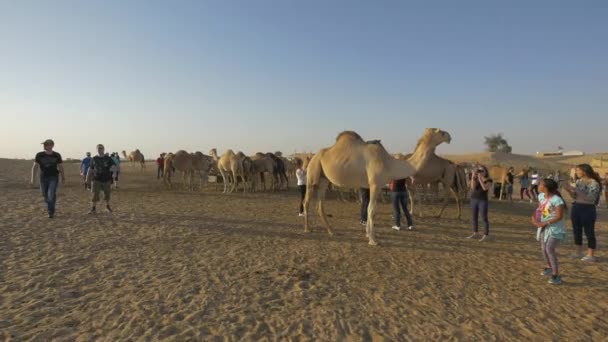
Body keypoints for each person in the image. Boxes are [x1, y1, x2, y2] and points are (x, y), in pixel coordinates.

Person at [530, 179, 567, 285]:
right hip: (543, 226)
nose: (538, 185)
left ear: (545, 187)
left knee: (549, 248)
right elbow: (540, 209)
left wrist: (545, 223)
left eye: (541, 184)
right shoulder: (541, 196)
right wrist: (534, 218)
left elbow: (559, 216)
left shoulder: (557, 200)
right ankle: (549, 266)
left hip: (554, 228)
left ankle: (556, 275)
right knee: (543, 249)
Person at [563, 164, 602, 262]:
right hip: (576, 207)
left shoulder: (594, 183)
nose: (576, 172)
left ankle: (590, 255)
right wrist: (568, 190)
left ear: (584, 171)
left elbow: (590, 198)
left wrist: (575, 189)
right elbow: (575, 197)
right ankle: (578, 252)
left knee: (589, 232)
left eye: (578, 170)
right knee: (577, 231)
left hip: (588, 209)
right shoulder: (579, 181)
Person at [31, 139, 65, 218]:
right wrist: (33, 178)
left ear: (52, 145)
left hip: (53, 177)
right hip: (43, 177)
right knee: (45, 195)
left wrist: (63, 177)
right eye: (45, 144)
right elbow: (35, 166)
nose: (45, 146)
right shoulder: (39, 155)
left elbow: (60, 167)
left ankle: (51, 212)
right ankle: (51, 203)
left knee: (51, 194)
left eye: (47, 144)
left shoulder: (57, 155)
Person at [86, 144, 116, 214]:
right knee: (95, 194)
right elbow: (90, 169)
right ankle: (93, 209)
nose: (100, 149)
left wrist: (114, 173)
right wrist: (87, 178)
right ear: (96, 150)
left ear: (103, 149)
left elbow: (114, 166)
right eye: (98, 148)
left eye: (101, 148)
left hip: (106, 179)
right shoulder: (94, 158)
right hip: (96, 179)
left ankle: (107, 207)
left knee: (107, 194)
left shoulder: (108, 158)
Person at [468, 165, 492, 241]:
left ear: (486, 171)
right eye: (479, 171)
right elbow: (473, 187)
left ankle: (486, 234)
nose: (480, 172)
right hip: (474, 199)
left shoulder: (489, 180)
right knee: (474, 217)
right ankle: (475, 233)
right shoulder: (476, 178)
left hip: (483, 200)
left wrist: (480, 178)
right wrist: (473, 177)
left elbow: (485, 188)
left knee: (484, 218)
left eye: (482, 171)